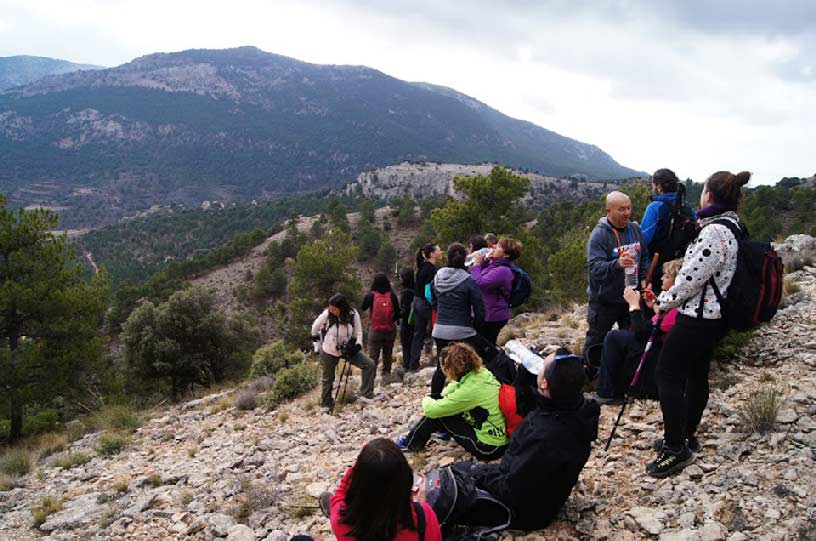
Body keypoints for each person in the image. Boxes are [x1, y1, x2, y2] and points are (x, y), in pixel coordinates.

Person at [647, 170, 749, 478]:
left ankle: (675, 446)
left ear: (709, 195)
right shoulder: (734, 227)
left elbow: (690, 279)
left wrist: (662, 302)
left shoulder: (714, 233)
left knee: (667, 373)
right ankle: (686, 434)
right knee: (696, 374)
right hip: (715, 317)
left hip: (697, 317)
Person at [445, 349, 599, 530]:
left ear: (544, 383)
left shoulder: (542, 435)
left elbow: (510, 490)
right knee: (464, 473)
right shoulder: (580, 410)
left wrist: (479, 474)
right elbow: (526, 405)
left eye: (542, 365)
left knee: (452, 482)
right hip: (548, 497)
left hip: (524, 513)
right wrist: (524, 376)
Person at [396, 342, 508, 461]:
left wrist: (428, 398)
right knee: (445, 405)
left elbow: (431, 410)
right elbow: (454, 386)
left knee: (439, 414)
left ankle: (411, 444)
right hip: (501, 440)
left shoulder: (468, 392)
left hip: (488, 448)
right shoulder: (481, 373)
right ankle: (433, 435)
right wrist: (441, 396)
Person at [593, 257, 683, 405]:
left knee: (613, 337)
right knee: (619, 337)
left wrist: (634, 305)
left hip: (656, 357)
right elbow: (661, 317)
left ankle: (607, 392)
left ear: (676, 282)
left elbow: (644, 334)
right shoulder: (677, 302)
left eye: (666, 276)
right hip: (660, 352)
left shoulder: (677, 309)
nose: (661, 278)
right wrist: (653, 304)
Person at [319, 438, 442, 541]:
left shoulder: (341, 524)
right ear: (406, 480)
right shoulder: (424, 517)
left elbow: (340, 492)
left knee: (335, 504)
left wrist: (362, 466)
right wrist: (420, 504)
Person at [585, 191, 650, 358]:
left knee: (630, 341)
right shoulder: (599, 235)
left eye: (629, 208)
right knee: (595, 342)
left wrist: (643, 279)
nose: (627, 213)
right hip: (604, 301)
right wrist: (617, 264)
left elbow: (644, 258)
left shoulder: (635, 229)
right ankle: (589, 374)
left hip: (630, 298)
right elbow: (594, 268)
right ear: (608, 211)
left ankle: (624, 375)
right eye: (621, 209)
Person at [429, 243, 486, 395]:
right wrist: (476, 327)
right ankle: (464, 399)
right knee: (468, 366)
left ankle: (434, 401)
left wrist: (439, 311)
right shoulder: (468, 281)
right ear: (465, 259)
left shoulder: (437, 277)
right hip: (463, 331)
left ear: (447, 258)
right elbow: (480, 309)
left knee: (441, 368)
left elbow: (432, 298)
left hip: (440, 329)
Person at [312, 294, 376, 411]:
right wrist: (317, 344)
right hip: (329, 350)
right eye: (330, 308)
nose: (331, 311)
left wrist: (357, 345)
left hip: (347, 349)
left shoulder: (353, 314)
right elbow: (314, 329)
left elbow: (358, 332)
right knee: (328, 379)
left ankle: (366, 394)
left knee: (369, 365)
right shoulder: (327, 314)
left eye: (334, 309)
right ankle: (326, 404)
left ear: (341, 307)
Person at [641, 169, 698, 292]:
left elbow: (644, 239)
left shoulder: (656, 207)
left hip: (657, 269)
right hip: (681, 267)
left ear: (659, 187)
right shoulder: (687, 207)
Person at [470, 237, 523, 345]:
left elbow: (479, 283)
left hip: (492, 315)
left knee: (484, 346)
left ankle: (493, 361)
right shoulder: (494, 265)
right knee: (481, 346)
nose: (493, 247)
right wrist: (484, 261)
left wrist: (476, 265)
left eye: (499, 246)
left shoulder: (503, 270)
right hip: (486, 313)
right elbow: (481, 273)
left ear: (506, 255)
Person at [407, 244, 442, 372]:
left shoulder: (422, 267)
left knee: (418, 333)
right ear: (432, 254)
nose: (440, 251)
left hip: (416, 302)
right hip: (425, 304)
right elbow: (428, 291)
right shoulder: (431, 269)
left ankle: (413, 363)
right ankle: (440, 361)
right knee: (439, 329)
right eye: (438, 250)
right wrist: (435, 305)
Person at [361, 273, 400, 380]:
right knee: (387, 353)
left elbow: (363, 307)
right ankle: (386, 374)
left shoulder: (371, 295)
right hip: (390, 329)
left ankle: (371, 377)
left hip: (375, 329)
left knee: (373, 354)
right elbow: (397, 312)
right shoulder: (392, 295)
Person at [398, 267, 415, 374]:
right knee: (413, 342)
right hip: (415, 320)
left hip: (407, 322)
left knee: (406, 344)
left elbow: (404, 311)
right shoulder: (415, 289)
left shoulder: (405, 292)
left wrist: (397, 314)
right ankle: (413, 363)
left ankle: (406, 365)